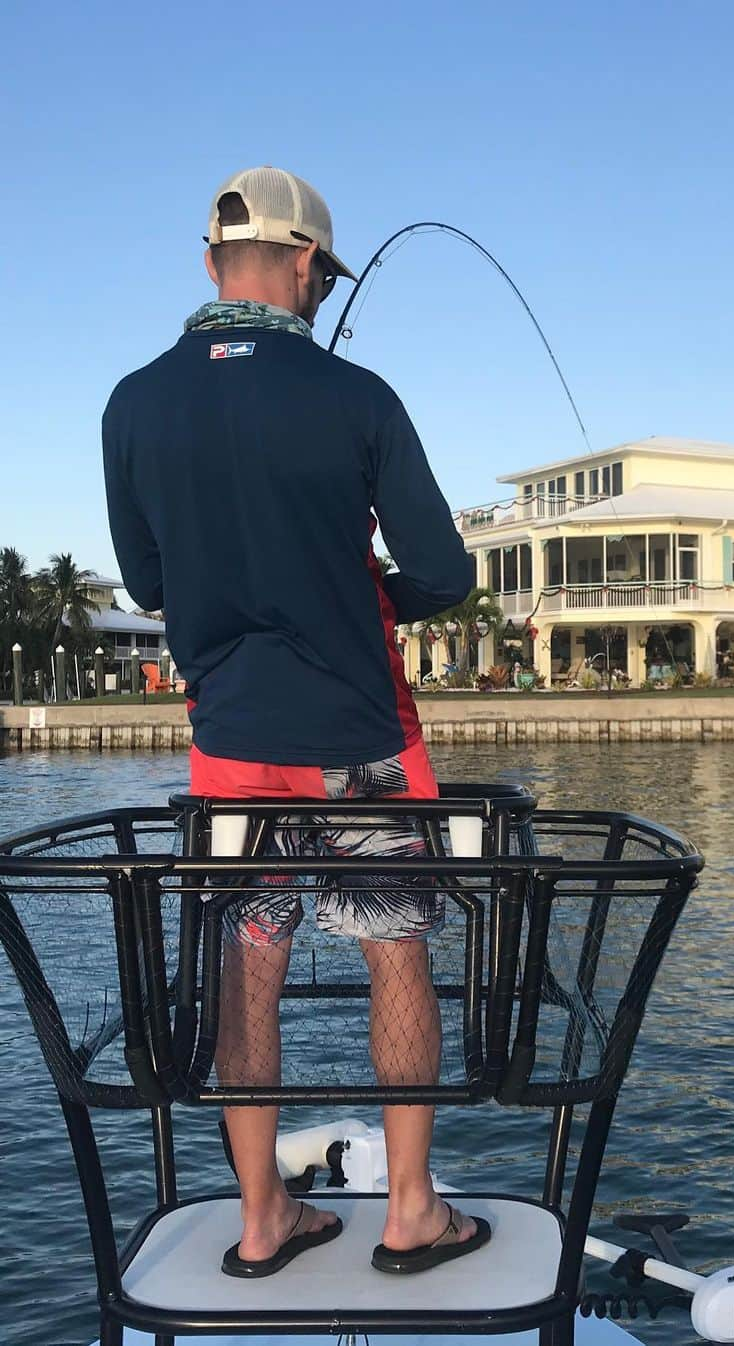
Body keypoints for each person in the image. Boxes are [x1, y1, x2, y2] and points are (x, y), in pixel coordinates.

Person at [102, 166, 487, 1278]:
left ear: (212, 260)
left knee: (248, 963)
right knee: (393, 950)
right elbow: (446, 571)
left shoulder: (132, 402)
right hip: (355, 739)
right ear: (310, 265)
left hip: (229, 749)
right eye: (324, 276)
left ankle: (261, 1217)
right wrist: (365, 594)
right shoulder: (356, 396)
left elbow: (146, 580)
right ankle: (411, 1210)